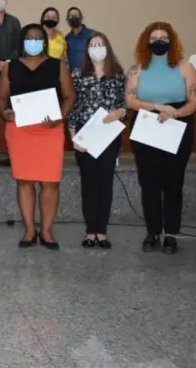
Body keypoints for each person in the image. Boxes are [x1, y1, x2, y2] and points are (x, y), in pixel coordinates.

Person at [0, 24, 75, 250]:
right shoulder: (10, 67)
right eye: (29, 38)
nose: (33, 41)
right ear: (22, 42)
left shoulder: (58, 65)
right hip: (20, 130)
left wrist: (60, 117)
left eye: (38, 38)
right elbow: (1, 98)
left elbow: (69, 97)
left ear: (44, 42)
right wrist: (4, 112)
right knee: (24, 180)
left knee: (50, 181)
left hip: (49, 130)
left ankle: (47, 231)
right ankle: (30, 230)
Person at [126, 22, 196, 255]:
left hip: (177, 125)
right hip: (147, 125)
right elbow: (130, 101)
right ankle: (153, 233)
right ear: (146, 42)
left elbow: (195, 101)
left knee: (172, 182)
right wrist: (158, 107)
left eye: (164, 37)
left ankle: (170, 234)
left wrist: (175, 113)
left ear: (172, 41)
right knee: (149, 183)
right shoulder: (137, 69)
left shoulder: (184, 67)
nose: (159, 41)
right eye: (155, 37)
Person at [67, 32, 125, 249]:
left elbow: (124, 104)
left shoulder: (118, 74)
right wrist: (74, 138)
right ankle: (90, 231)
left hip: (109, 134)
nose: (97, 48)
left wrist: (119, 112)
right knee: (89, 183)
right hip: (86, 134)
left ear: (107, 48)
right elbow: (73, 108)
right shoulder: (78, 74)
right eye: (93, 45)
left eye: (101, 44)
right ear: (87, 49)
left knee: (105, 182)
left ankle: (102, 231)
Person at [64, 6, 95, 71]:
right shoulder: (67, 38)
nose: (74, 18)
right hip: (73, 77)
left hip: (90, 76)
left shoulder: (92, 34)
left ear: (81, 18)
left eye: (76, 15)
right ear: (67, 20)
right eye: (71, 16)